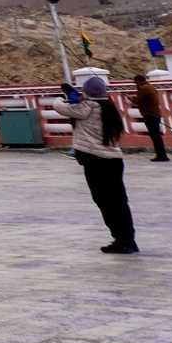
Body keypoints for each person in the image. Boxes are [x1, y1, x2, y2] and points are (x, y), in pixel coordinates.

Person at [51, 76, 137, 254]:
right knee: (118, 201)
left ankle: (122, 240)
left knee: (105, 201)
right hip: (113, 161)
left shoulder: (88, 107)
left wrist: (63, 97)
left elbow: (59, 107)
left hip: (96, 161)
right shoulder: (109, 107)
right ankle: (127, 239)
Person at [133, 71, 169, 162]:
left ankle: (161, 155)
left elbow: (137, 100)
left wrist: (131, 98)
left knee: (155, 137)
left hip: (150, 115)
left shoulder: (144, 88)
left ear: (138, 81)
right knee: (157, 136)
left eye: (135, 82)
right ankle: (162, 154)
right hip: (155, 114)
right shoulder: (150, 87)